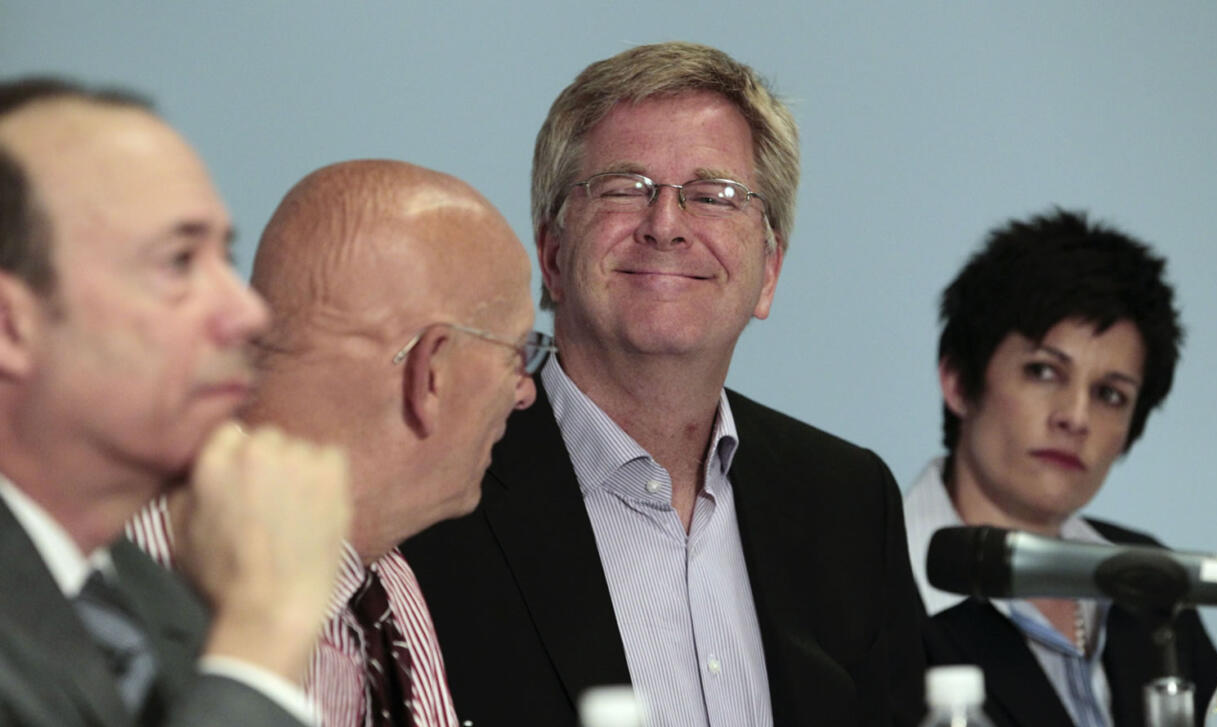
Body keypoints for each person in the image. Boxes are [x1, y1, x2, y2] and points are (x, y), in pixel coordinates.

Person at [402, 41, 926, 727]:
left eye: (716, 196)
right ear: (553, 256)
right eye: (625, 187)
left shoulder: (849, 503)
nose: (667, 225)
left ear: (768, 272)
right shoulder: (432, 499)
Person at [128, 159, 544, 727]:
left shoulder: (385, 577)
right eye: (515, 354)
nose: (524, 393)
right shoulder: (142, 569)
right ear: (432, 372)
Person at [0, 77, 350, 726]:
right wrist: (263, 639)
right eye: (179, 261)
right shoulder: (242, 618)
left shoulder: (154, 602)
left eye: (227, 255)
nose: (246, 312)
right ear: (11, 326)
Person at [905, 209, 1217, 727]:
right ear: (959, 382)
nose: (1076, 418)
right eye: (1044, 371)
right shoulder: (870, 583)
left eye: (1110, 395)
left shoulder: (1152, 579)